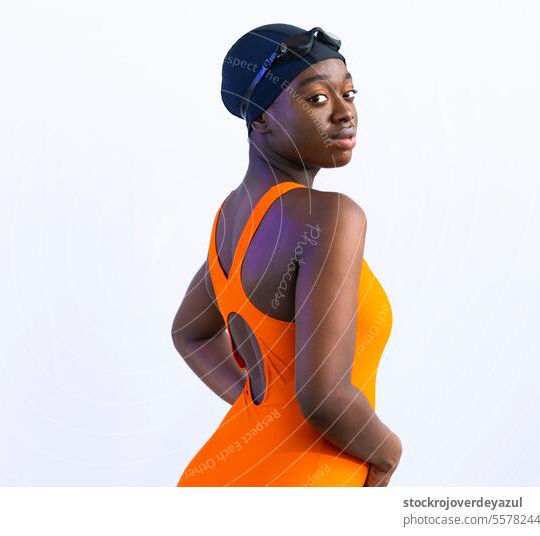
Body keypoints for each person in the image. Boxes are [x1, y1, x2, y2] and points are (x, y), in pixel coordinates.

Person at [171, 23, 402, 486]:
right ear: (259, 118)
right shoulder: (331, 217)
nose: (344, 114)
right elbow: (325, 396)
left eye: (349, 94)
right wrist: (388, 455)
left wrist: (264, 413)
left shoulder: (231, 217)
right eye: (316, 98)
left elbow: (189, 334)